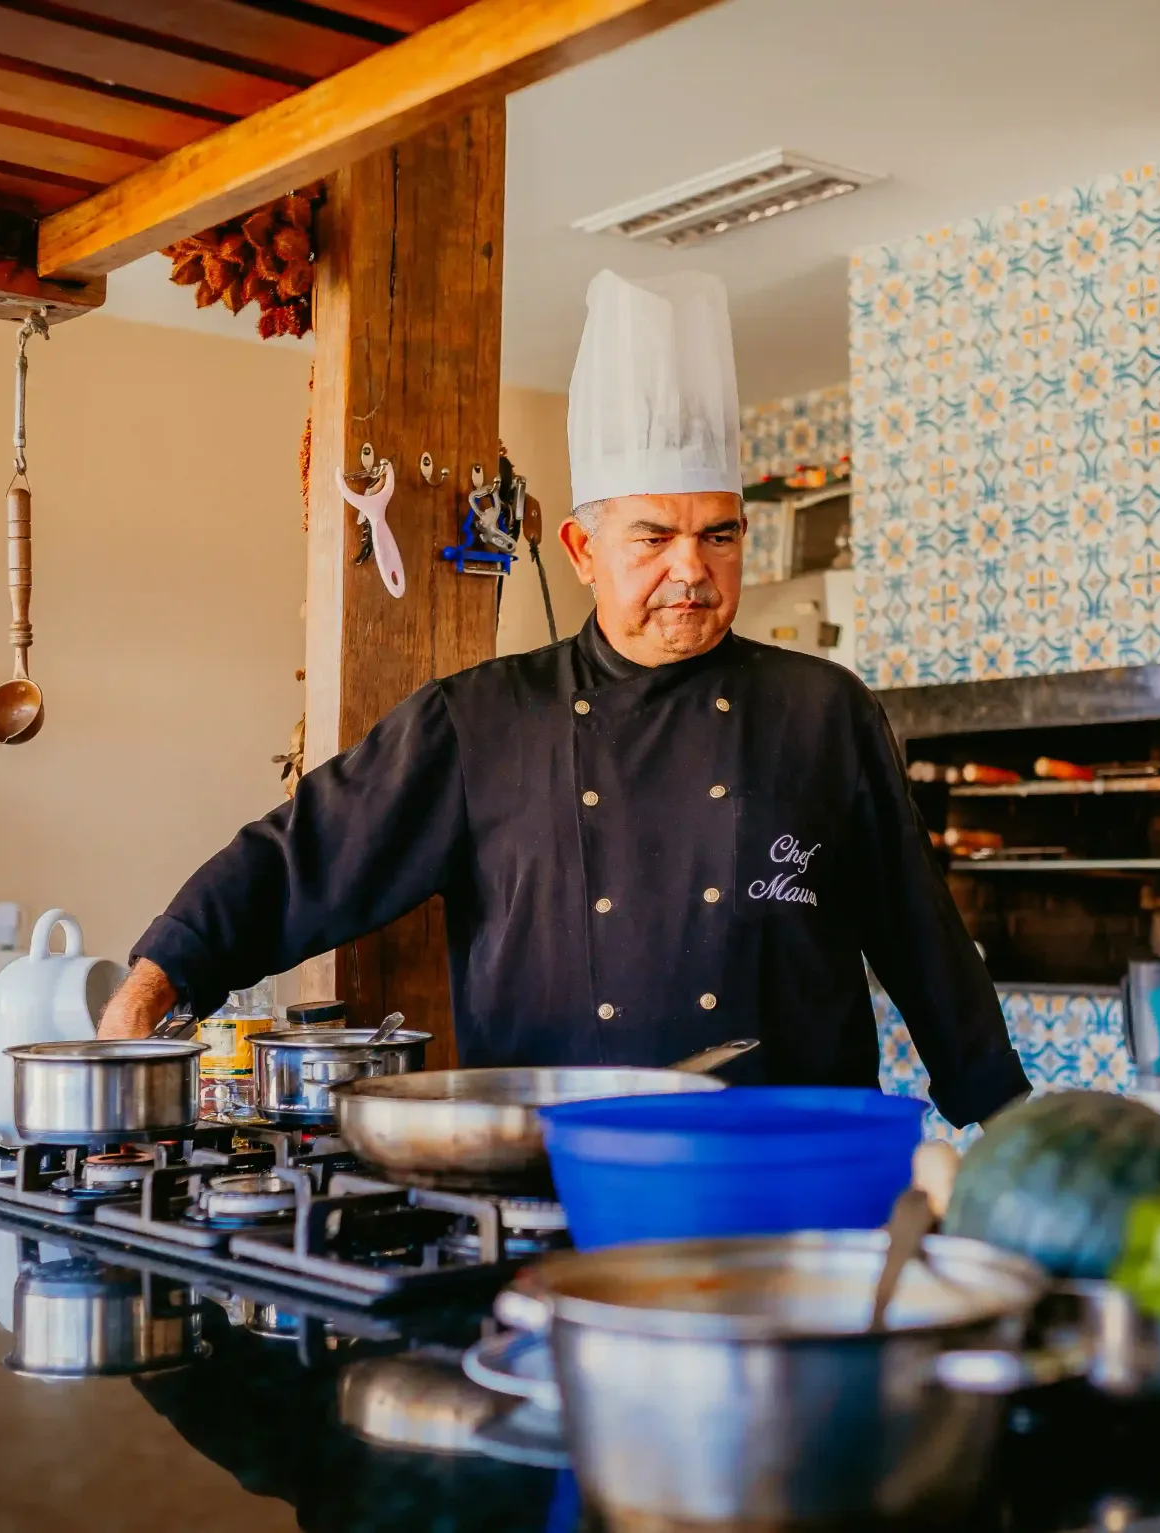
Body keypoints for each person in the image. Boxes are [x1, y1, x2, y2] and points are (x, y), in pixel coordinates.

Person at [99, 269, 1028, 1127]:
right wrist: (160, 974)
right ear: (583, 551)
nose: (691, 570)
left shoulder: (824, 710)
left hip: (789, 1175)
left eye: (719, 535)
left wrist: (1009, 1122)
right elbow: (308, 853)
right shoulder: (483, 723)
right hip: (563, 1179)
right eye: (654, 537)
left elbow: (919, 934)